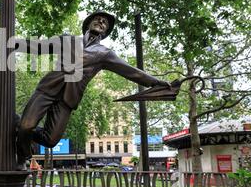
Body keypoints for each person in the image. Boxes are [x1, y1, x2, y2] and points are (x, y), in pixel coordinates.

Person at [15, 11, 171, 169]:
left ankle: (16, 121)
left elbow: (131, 71)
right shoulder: (68, 40)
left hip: (68, 99)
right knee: (26, 126)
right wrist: (13, 43)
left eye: (105, 23)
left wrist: (155, 82)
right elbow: (38, 47)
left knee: (50, 140)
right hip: (48, 88)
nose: (101, 22)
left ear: (105, 32)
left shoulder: (105, 54)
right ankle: (23, 157)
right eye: (98, 19)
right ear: (88, 24)